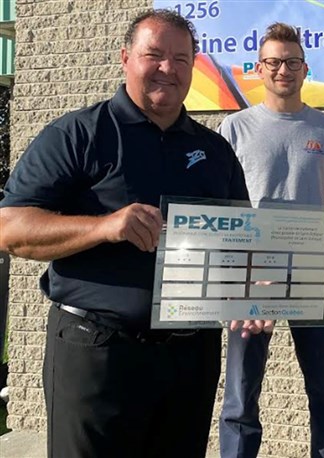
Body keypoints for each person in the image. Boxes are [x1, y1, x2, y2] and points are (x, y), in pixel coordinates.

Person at [0, 9, 251, 458]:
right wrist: (105, 226)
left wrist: (256, 293)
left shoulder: (214, 151)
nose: (168, 68)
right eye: (154, 55)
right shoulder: (78, 134)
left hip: (189, 359)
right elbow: (10, 229)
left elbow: (240, 244)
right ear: (125, 58)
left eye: (181, 59)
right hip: (97, 351)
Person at [217, 23, 324, 458]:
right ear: (259, 68)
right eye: (274, 62)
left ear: (305, 68)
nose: (283, 70)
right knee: (240, 393)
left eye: (292, 62)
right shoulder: (234, 128)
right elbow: (222, 206)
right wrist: (230, 275)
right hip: (250, 278)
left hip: (312, 276)